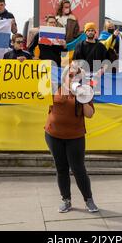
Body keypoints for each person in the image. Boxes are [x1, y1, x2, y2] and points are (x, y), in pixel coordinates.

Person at [44, 64, 98, 213]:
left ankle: (88, 200)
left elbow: (89, 114)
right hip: (53, 135)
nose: (74, 78)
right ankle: (66, 200)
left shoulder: (85, 92)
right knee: (61, 168)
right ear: (65, 77)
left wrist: (83, 98)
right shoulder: (55, 88)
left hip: (75, 136)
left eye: (78, 76)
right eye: (71, 75)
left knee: (78, 169)